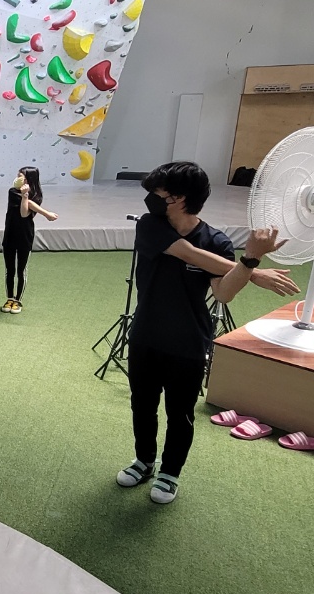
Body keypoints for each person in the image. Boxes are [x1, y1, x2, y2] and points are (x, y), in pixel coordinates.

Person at [116, 161, 300, 504]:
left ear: (180, 198)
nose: (150, 198)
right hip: (145, 334)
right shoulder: (150, 225)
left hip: (188, 342)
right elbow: (187, 253)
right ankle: (144, 461)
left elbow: (223, 293)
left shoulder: (216, 241)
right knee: (142, 405)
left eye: (158, 193)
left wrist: (249, 261)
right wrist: (255, 272)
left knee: (180, 413)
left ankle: (170, 473)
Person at [2, 166, 58, 313]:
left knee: (21, 270)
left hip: (25, 236)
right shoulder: (12, 192)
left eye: (22, 176)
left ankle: (18, 300)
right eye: (18, 175)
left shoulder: (36, 196)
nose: (18, 179)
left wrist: (25, 196)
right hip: (10, 234)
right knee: (10, 269)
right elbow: (28, 207)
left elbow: (24, 213)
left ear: (29, 180)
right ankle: (9, 298)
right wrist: (46, 214)